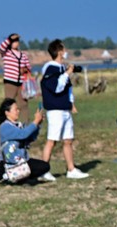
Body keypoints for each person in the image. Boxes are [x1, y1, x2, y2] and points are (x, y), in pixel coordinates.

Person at [39, 39, 89, 180]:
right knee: (52, 139)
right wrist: (67, 73)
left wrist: (71, 103)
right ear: (59, 52)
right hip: (55, 110)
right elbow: (57, 87)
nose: (66, 52)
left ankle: (71, 169)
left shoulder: (61, 69)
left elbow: (67, 88)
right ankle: (43, 170)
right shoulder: (50, 69)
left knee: (68, 140)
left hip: (65, 109)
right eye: (64, 49)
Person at [0, 98, 50, 186]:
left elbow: (29, 138)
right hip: (6, 163)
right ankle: (8, 176)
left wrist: (38, 124)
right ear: (7, 112)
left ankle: (20, 178)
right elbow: (23, 134)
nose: (18, 111)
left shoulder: (18, 125)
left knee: (45, 166)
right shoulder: (5, 127)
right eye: (15, 109)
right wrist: (35, 121)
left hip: (22, 161)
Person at [0, 33, 32, 113]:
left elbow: (28, 67)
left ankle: (25, 124)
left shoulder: (23, 55)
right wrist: (10, 39)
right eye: (13, 41)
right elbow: (1, 47)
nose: (15, 42)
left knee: (23, 104)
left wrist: (24, 70)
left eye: (17, 40)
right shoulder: (6, 53)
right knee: (8, 104)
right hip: (10, 82)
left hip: (21, 83)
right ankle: (6, 122)